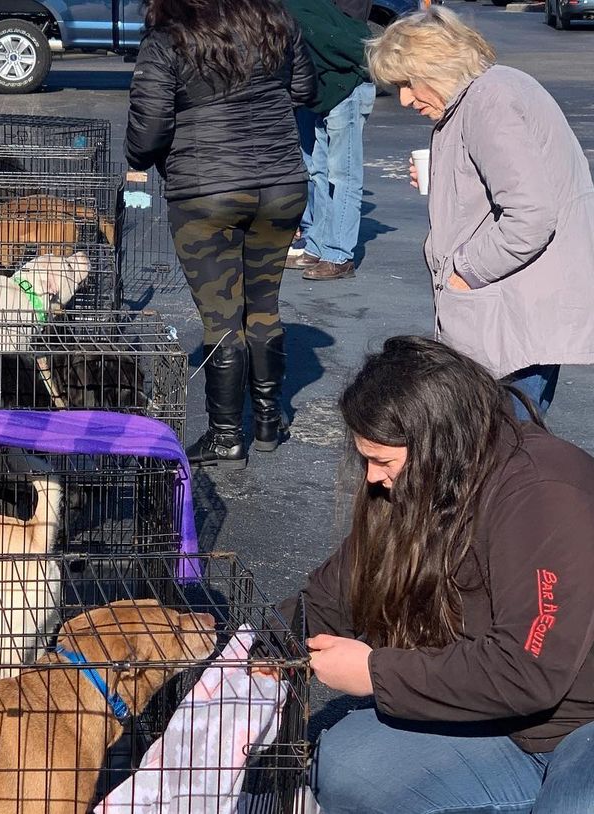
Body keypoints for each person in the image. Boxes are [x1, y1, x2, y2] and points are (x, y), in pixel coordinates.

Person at [281, 336, 594, 813]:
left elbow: (526, 670)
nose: (371, 477)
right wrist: (265, 645)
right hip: (505, 723)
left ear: (438, 446)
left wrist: (374, 673)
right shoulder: (423, 483)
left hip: (580, 722)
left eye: (383, 461)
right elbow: (338, 591)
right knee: (344, 766)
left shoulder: (544, 494)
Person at [367, 7, 594, 420]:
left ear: (435, 65)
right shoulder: (489, 93)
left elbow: (531, 214)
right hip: (513, 310)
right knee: (502, 445)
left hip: (513, 318)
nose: (402, 98)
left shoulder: (489, 103)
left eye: (407, 82)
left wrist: (464, 271)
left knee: (502, 448)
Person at [124, 0, 315, 468]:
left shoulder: (167, 39)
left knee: (222, 318)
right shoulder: (276, 21)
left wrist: (137, 161)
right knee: (264, 305)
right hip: (281, 184)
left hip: (206, 192)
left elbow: (148, 133)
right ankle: (269, 421)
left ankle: (227, 435)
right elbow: (305, 88)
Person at [283, 0, 375, 281]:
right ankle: (317, 245)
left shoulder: (293, 15)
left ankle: (339, 256)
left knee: (342, 176)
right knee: (317, 171)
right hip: (322, 91)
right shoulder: (285, 13)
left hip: (345, 87)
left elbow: (350, 47)